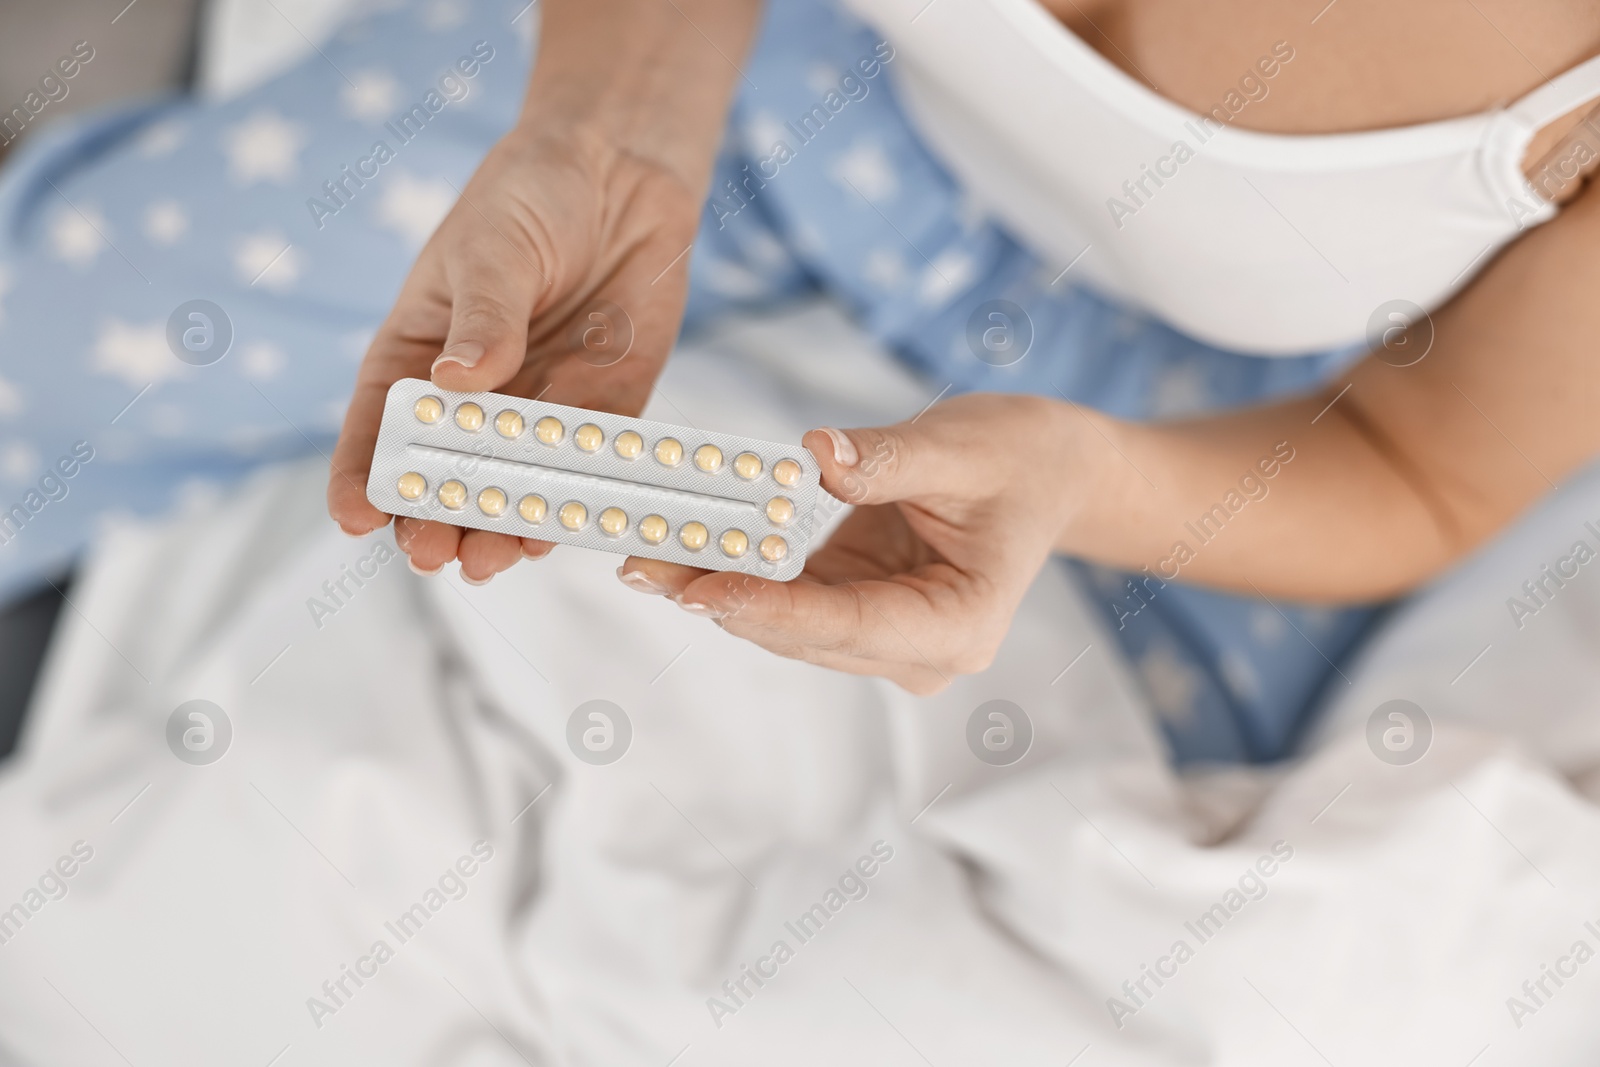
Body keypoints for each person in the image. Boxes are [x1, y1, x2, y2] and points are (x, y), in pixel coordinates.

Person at [328, 0, 1600, 724]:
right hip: (775, 71)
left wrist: (1082, 481)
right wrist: (610, 129)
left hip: (1220, 390)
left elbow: (1424, 470)